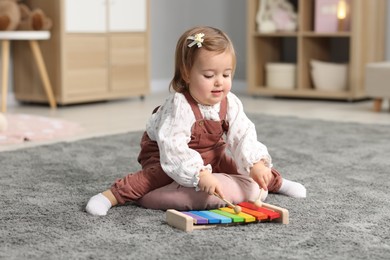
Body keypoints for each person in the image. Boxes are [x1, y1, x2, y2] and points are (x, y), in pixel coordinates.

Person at [86, 26, 306, 216]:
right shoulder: (180, 105)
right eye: (209, 76)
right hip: (165, 154)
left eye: (227, 75)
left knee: (240, 167)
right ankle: (110, 196)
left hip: (212, 152)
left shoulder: (230, 102)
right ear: (187, 74)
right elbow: (173, 147)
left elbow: (243, 135)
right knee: (153, 177)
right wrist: (200, 175)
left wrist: (256, 164)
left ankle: (277, 182)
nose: (219, 83)